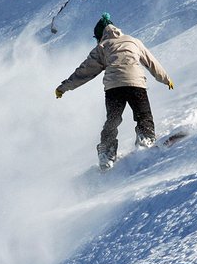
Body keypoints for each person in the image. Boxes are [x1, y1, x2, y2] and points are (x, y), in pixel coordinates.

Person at [55, 13, 174, 170]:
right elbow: (151, 62)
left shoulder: (102, 47)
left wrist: (64, 87)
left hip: (113, 88)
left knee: (113, 119)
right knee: (143, 114)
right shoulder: (134, 41)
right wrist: (165, 79)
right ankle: (146, 137)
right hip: (135, 83)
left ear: (100, 35)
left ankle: (107, 151)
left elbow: (85, 71)